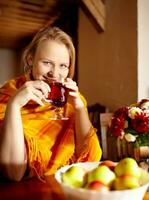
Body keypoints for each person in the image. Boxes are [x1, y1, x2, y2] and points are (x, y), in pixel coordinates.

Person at [0, 26, 102, 181]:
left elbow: (91, 161)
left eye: (63, 66)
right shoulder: (7, 95)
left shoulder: (72, 100)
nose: (54, 74)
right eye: (47, 62)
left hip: (63, 187)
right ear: (30, 60)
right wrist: (14, 105)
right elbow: (14, 173)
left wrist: (80, 108)